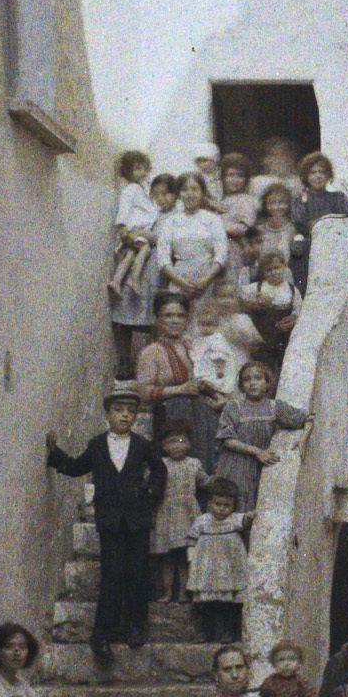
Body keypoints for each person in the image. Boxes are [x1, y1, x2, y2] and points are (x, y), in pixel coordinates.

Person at [47, 384, 167, 665]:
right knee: (112, 573)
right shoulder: (97, 445)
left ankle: (136, 627)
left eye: (130, 411)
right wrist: (55, 453)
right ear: (108, 414)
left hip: (136, 519)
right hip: (110, 520)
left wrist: (150, 493)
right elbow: (76, 467)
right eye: (118, 410)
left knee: (137, 572)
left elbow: (160, 471)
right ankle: (101, 634)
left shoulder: (143, 445)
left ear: (135, 416)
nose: (125, 415)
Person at [136, 292, 220, 473]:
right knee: (177, 463)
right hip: (169, 419)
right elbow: (144, 392)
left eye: (180, 315)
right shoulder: (151, 352)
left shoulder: (190, 346)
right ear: (157, 319)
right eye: (168, 315)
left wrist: (204, 386)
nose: (175, 321)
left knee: (201, 461)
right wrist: (179, 389)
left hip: (197, 414)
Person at [292, 150, 348, 291]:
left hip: (337, 250)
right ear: (306, 176)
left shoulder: (338, 198)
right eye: (313, 173)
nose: (318, 176)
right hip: (312, 248)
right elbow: (299, 223)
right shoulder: (302, 199)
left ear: (328, 175)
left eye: (322, 172)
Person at [108, 150, 159, 375]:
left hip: (146, 250)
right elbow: (124, 210)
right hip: (133, 234)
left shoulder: (145, 191)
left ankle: (147, 363)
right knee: (126, 310)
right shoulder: (131, 190)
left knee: (132, 256)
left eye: (143, 168)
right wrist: (124, 230)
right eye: (136, 168)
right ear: (128, 171)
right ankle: (125, 362)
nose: (141, 172)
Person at [212, 358, 282, 516]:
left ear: (267, 383)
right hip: (235, 466)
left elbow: (306, 418)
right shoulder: (233, 407)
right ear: (241, 386)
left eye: (258, 378)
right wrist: (257, 452)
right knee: (230, 511)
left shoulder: (275, 407)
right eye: (247, 379)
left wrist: (303, 438)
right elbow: (227, 440)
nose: (252, 383)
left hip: (260, 468)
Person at [187, 477, 253, 644]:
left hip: (228, 567)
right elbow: (192, 540)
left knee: (227, 603)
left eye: (227, 505)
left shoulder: (234, 519)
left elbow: (246, 521)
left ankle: (227, 632)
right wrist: (192, 558)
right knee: (206, 602)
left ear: (233, 506)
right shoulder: (202, 521)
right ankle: (204, 632)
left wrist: (250, 516)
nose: (222, 509)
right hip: (207, 567)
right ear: (210, 503)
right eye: (218, 504)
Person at [156, 171, 229, 305]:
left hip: (207, 281)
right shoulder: (170, 221)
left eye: (195, 189)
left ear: (202, 193)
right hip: (179, 279)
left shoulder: (213, 219)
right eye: (184, 190)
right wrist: (180, 281)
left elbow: (221, 253)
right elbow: (162, 257)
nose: (190, 194)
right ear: (179, 193)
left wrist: (205, 280)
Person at [151, 421, 204, 603]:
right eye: (171, 442)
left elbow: (204, 481)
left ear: (189, 443)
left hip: (186, 514)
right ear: (163, 446)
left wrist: (217, 479)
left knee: (184, 557)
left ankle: (182, 592)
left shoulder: (193, 464)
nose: (177, 446)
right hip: (167, 513)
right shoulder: (161, 464)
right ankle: (167, 593)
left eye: (181, 441)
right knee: (167, 558)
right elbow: (150, 482)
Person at [217, 151, 259, 287]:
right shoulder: (220, 199)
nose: (235, 180)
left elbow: (244, 228)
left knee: (233, 283)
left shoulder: (246, 200)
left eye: (239, 176)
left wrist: (219, 227)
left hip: (235, 248)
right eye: (230, 175)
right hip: (217, 247)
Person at [193, 144, 224, 208]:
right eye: (198, 161)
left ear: (215, 161)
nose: (201, 164)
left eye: (204, 160)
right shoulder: (195, 178)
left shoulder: (223, 176)